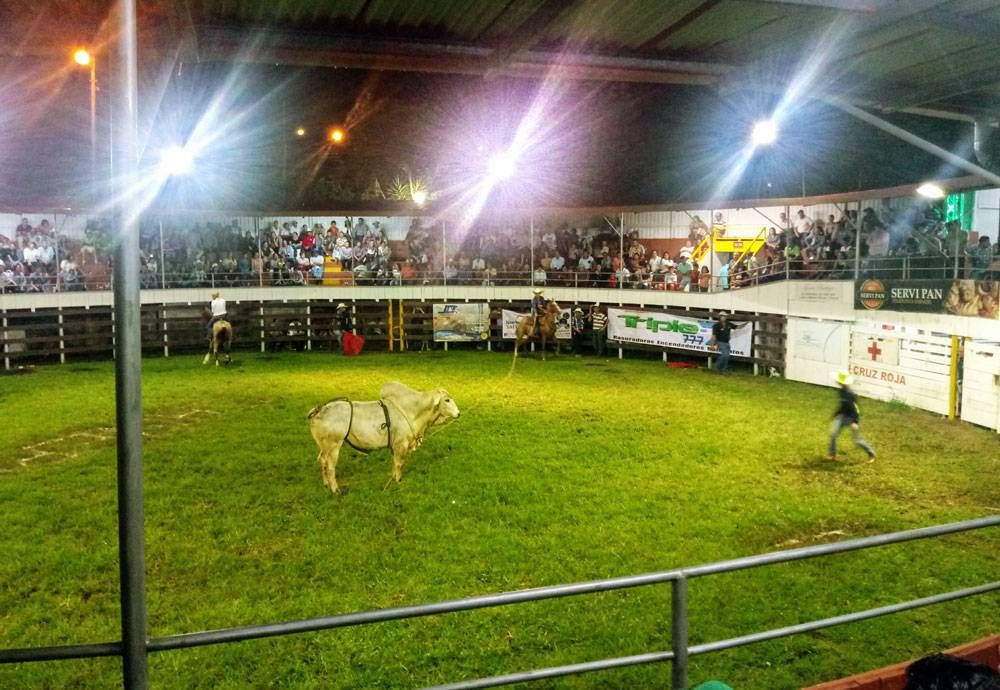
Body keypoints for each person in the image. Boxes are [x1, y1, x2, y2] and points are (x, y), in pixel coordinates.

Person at [828, 371, 876, 462]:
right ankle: (832, 453)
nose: (837, 382)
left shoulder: (850, 394)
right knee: (833, 434)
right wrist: (836, 414)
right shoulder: (841, 391)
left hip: (851, 418)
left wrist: (855, 422)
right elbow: (843, 405)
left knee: (857, 440)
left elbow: (855, 409)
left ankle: (871, 454)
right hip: (842, 417)